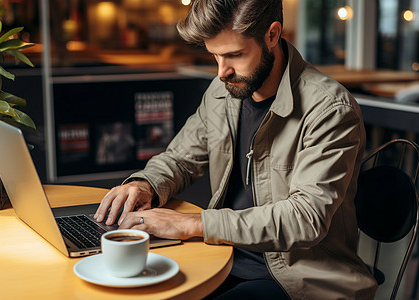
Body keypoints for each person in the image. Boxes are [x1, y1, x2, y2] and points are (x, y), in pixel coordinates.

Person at [94, 0, 378, 298]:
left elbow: (305, 219)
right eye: (215, 55)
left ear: (272, 35)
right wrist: (146, 184)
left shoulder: (329, 109)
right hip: (222, 256)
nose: (222, 71)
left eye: (234, 55)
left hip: (298, 279)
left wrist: (193, 223)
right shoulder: (223, 91)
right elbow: (180, 158)